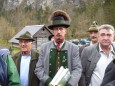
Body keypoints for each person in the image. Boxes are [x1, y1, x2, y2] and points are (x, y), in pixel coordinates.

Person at [35, 10, 82, 86]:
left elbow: (77, 69)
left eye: (61, 29)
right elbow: (38, 69)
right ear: (53, 31)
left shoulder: (74, 48)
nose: (59, 32)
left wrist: (69, 84)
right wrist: (48, 82)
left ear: (65, 31)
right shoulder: (44, 47)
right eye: (56, 29)